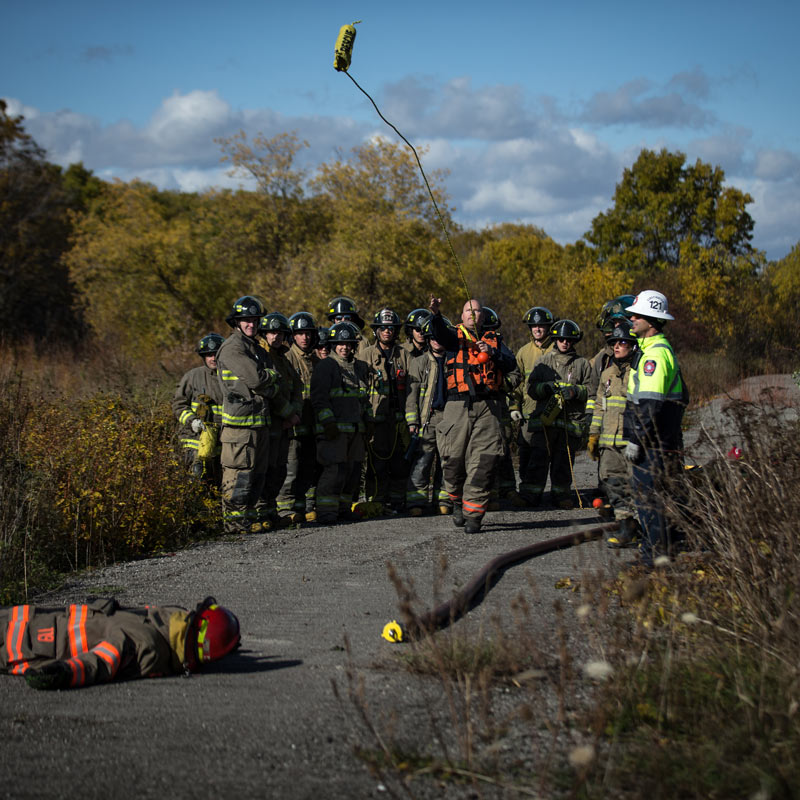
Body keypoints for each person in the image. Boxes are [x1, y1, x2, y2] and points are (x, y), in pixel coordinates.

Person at [1, 596, 239, 690]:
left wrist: (65, 673)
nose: (189, 612)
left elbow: (103, 660)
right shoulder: (165, 623)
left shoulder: (146, 644)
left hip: (21, 643)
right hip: (25, 622)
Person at [427, 296, 517, 534]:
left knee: (484, 462)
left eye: (476, 311)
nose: (472, 314)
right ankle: (456, 500)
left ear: (483, 316)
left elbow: (510, 363)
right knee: (452, 460)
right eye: (468, 311)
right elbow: (439, 333)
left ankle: (474, 515)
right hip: (457, 406)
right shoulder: (453, 337)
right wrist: (435, 314)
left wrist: (494, 354)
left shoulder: (495, 340)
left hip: (489, 408)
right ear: (461, 316)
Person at [622, 290, 688, 567]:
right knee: (653, 499)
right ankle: (657, 552)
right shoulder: (651, 351)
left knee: (649, 502)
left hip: (653, 444)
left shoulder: (655, 357)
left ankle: (654, 559)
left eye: (637, 315)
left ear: (652, 321)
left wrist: (636, 439)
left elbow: (649, 405)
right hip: (659, 441)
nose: (631, 319)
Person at [216, 296, 279, 534]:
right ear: (237, 322)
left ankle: (248, 520)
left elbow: (271, 380)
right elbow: (257, 379)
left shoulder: (254, 348)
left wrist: (270, 380)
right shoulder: (234, 348)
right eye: (246, 320)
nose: (251, 324)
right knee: (239, 475)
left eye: (254, 320)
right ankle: (234, 524)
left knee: (256, 474)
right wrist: (270, 379)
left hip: (258, 422)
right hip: (239, 427)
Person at [524, 319, 593, 509]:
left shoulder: (582, 364)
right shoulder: (544, 361)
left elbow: (591, 390)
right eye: (561, 339)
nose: (565, 343)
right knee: (537, 458)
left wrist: (575, 392)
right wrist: (544, 388)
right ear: (555, 339)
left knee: (564, 461)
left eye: (569, 340)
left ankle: (561, 495)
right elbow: (530, 389)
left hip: (569, 424)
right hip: (545, 424)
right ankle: (531, 494)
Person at [310, 322, 373, 525]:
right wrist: (328, 422)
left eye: (348, 343)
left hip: (355, 430)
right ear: (332, 345)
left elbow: (363, 398)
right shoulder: (326, 366)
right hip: (334, 432)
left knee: (352, 472)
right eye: (340, 343)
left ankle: (344, 509)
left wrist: (368, 421)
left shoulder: (357, 368)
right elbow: (319, 398)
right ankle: (327, 512)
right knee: (333, 471)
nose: (344, 347)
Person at [587, 321, 641, 547]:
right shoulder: (607, 373)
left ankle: (644, 528)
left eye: (622, 342)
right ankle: (625, 526)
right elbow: (600, 405)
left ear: (632, 345)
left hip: (630, 442)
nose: (617, 346)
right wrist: (593, 434)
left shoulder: (639, 373)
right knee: (613, 483)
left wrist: (639, 439)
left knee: (637, 486)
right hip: (609, 443)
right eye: (614, 343)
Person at [361, 308, 413, 512]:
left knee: (400, 461)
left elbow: (412, 388)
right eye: (383, 328)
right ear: (376, 331)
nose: (387, 331)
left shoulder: (404, 355)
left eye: (391, 328)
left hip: (399, 418)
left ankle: (398, 500)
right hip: (376, 419)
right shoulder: (365, 355)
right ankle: (376, 500)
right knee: (377, 461)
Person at [257, 312, 303, 529]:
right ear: (264, 334)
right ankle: (260, 513)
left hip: (285, 424)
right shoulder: (260, 356)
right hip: (270, 423)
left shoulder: (283, 358)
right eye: (271, 332)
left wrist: (295, 414)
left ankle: (271, 512)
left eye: (279, 333)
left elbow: (296, 388)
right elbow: (269, 391)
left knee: (279, 470)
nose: (275, 337)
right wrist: (287, 414)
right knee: (264, 469)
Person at [404, 314, 452, 516]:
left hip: (450, 418)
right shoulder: (419, 362)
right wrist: (412, 421)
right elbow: (411, 395)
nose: (435, 341)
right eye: (431, 337)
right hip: (427, 419)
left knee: (447, 460)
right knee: (422, 460)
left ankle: (444, 500)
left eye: (439, 337)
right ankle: (417, 501)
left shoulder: (455, 360)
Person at [277, 312, 322, 523]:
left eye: (308, 333)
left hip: (312, 426)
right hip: (293, 426)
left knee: (310, 468)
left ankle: (306, 508)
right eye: (300, 333)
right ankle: (285, 510)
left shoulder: (316, 359)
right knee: (291, 469)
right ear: (292, 336)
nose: (305, 338)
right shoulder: (287, 358)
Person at [512, 307, 555, 503]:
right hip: (528, 413)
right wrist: (514, 407)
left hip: (552, 413)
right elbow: (517, 384)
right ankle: (528, 490)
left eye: (542, 325)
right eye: (534, 326)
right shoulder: (523, 352)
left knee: (545, 454)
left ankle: (534, 495)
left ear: (549, 327)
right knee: (526, 454)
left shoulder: (557, 349)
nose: (538, 329)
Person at [172, 333, 225, 486]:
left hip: (221, 439)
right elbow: (179, 404)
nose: (213, 358)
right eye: (208, 355)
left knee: (218, 482)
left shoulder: (229, 378)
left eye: (216, 354)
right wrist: (192, 420)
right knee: (196, 477)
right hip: (195, 438)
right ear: (203, 356)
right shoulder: (193, 376)